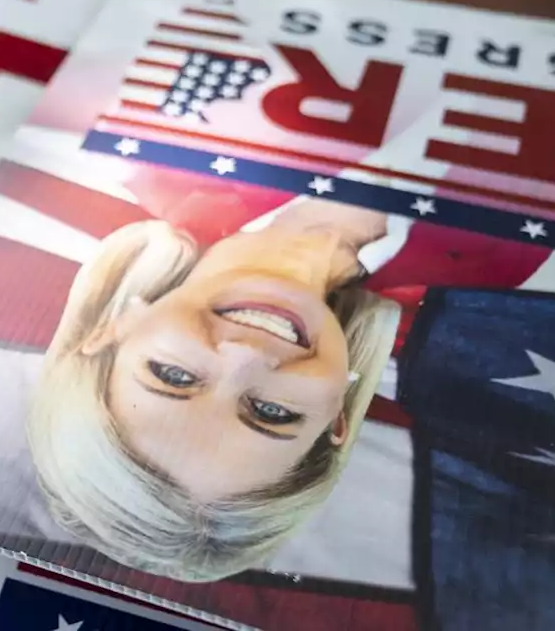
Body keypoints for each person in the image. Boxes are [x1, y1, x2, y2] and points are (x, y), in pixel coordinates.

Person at [27, 197, 403, 582]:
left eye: (173, 375)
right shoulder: (454, 301)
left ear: (111, 332)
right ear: (335, 416)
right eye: (272, 412)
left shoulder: (154, 158)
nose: (247, 355)